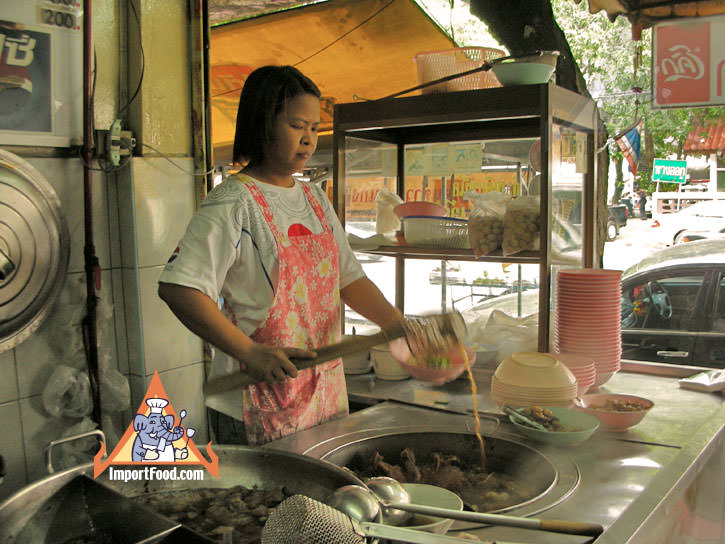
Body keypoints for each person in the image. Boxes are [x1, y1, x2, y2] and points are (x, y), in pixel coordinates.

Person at [157, 66, 402, 446]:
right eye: (296, 125)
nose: (308, 139)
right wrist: (251, 352)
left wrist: (398, 325)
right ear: (262, 123)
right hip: (256, 403)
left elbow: (349, 279)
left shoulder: (314, 199)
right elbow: (180, 289)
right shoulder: (234, 202)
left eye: (314, 129)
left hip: (323, 399)